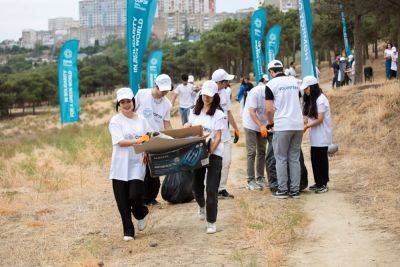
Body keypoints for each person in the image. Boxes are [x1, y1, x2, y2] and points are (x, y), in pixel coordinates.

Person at [108, 87, 151, 241]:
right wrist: (138, 141)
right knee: (122, 201)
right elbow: (119, 141)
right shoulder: (115, 121)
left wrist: (146, 152)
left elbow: (149, 138)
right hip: (120, 165)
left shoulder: (142, 120)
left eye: (128, 101)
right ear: (119, 104)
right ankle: (128, 231)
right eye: (123, 102)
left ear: (133, 101)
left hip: (137, 163)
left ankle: (141, 213)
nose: (126, 104)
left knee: (134, 196)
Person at [185, 80, 227, 234]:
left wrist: (209, 152)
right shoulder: (194, 112)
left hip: (214, 154)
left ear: (214, 96)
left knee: (211, 188)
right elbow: (189, 128)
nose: (206, 98)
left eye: (210, 96)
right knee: (196, 186)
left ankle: (211, 221)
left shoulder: (219, 114)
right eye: (204, 95)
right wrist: (186, 127)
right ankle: (201, 205)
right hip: (197, 154)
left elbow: (217, 137)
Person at [265, 60, 304, 199]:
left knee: (280, 158)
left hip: (282, 125)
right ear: (282, 69)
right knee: (294, 158)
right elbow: (300, 101)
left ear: (271, 72)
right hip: (298, 124)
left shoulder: (270, 84)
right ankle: (295, 190)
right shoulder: (294, 81)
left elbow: (269, 109)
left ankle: (282, 189)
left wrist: (270, 123)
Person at [135, 74, 173, 206]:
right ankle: (142, 198)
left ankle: (151, 198)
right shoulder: (141, 94)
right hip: (140, 138)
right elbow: (132, 112)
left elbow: (167, 123)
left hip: (156, 139)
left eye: (167, 91)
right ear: (155, 86)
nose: (164, 93)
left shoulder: (167, 104)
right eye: (162, 90)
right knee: (142, 169)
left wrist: (172, 139)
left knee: (155, 169)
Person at [212, 69, 240, 199]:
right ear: (220, 82)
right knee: (212, 163)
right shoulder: (205, 93)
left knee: (226, 161)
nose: (228, 82)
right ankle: (211, 188)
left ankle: (221, 189)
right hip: (212, 135)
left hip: (225, 134)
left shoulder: (225, 93)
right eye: (226, 81)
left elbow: (228, 112)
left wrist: (235, 128)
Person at [301, 76, 332, 194]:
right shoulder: (313, 99)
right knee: (314, 159)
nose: (305, 91)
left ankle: (323, 183)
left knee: (321, 160)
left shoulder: (321, 99)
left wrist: (307, 126)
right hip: (315, 136)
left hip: (322, 135)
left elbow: (320, 119)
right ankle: (318, 182)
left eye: (306, 88)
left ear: (312, 87)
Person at [242, 83, 272, 190]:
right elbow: (252, 112)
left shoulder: (274, 92)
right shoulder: (256, 92)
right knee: (252, 152)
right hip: (250, 123)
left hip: (263, 123)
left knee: (262, 151)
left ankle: (260, 177)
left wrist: (269, 124)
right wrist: (260, 126)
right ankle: (250, 180)